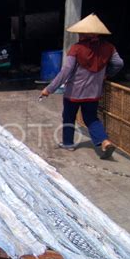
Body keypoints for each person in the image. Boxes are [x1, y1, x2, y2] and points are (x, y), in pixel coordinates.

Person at [40, 13, 124, 159]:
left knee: (68, 116)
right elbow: (119, 63)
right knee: (91, 118)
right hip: (94, 92)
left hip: (74, 92)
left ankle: (68, 143)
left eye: (81, 32)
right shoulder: (109, 47)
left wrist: (49, 89)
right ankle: (104, 141)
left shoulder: (76, 49)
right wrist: (106, 73)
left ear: (85, 33)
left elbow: (65, 71)